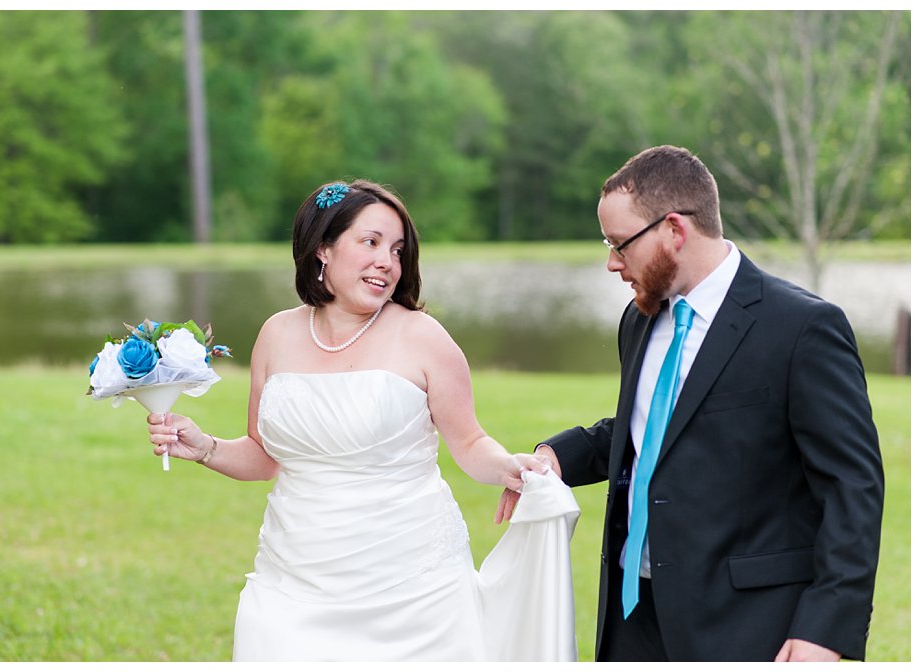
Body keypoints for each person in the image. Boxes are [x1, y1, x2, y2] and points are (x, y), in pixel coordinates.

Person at [146, 179, 579, 661]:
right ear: (323, 249)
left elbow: (470, 442)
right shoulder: (276, 334)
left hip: (411, 590)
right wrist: (204, 447)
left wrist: (508, 467)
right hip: (290, 583)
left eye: (396, 250)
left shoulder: (423, 337)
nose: (387, 262)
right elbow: (265, 456)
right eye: (370, 242)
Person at [497, 145, 884, 662]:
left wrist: (825, 629)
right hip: (631, 619)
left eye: (619, 244)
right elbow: (655, 429)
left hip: (745, 625)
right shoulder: (640, 319)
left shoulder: (803, 328)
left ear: (674, 230)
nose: (612, 263)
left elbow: (852, 486)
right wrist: (558, 457)